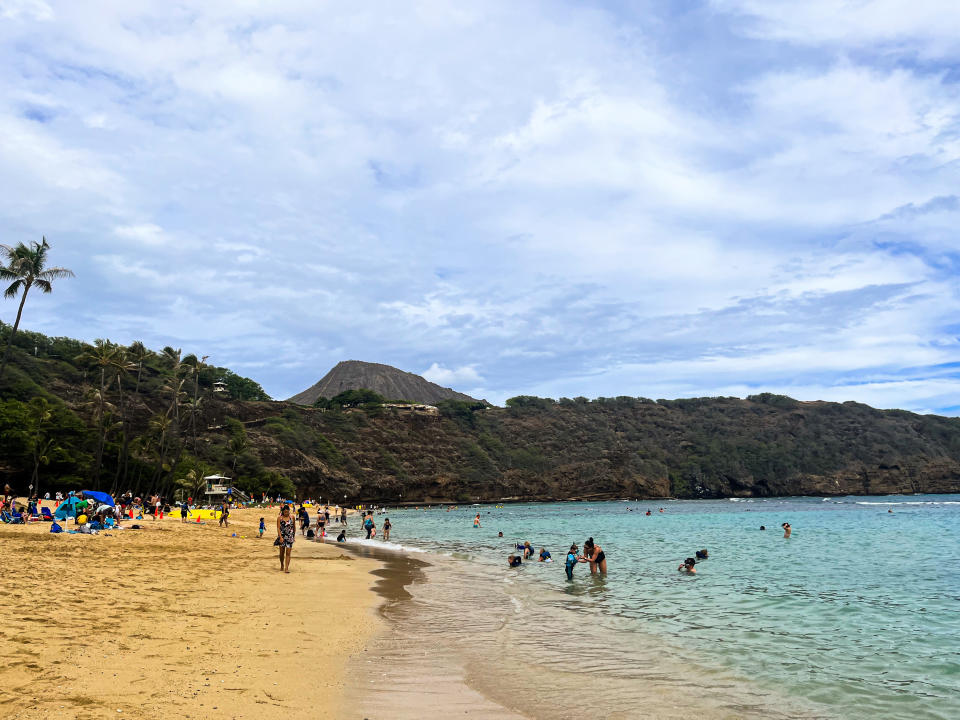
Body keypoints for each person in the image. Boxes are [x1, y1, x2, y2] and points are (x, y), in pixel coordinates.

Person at [276, 505, 296, 572]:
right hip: (282, 536)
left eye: (287, 512)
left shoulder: (292, 517)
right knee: (281, 553)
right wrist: (280, 537)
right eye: (285, 512)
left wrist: (294, 536)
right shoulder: (279, 518)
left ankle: (286, 568)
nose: (286, 513)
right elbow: (278, 528)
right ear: (283, 511)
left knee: (288, 553)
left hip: (290, 537)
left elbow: (294, 527)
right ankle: (282, 564)